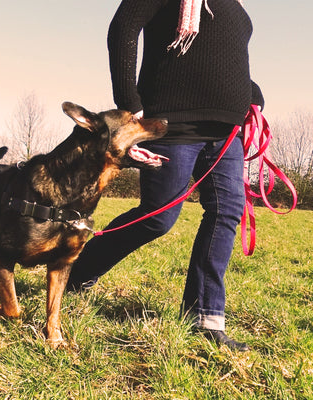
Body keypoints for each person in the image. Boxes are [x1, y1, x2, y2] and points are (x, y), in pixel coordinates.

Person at [67, 0, 265, 351]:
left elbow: (223, 56)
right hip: (171, 124)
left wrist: (250, 92)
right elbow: (124, 26)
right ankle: (79, 272)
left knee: (227, 211)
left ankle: (205, 318)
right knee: (158, 217)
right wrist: (128, 97)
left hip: (226, 130)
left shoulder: (234, 6)